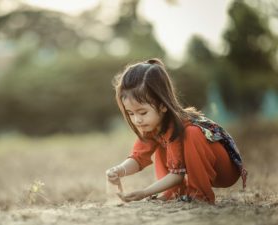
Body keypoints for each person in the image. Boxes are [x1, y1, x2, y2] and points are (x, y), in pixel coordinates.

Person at [105, 58, 247, 204]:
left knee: (192, 133)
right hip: (199, 169)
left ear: (162, 105)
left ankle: (200, 195)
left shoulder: (179, 126)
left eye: (142, 112)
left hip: (224, 170)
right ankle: (175, 193)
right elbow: (137, 158)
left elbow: (176, 175)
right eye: (131, 113)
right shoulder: (150, 127)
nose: (137, 120)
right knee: (161, 145)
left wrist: (144, 192)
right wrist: (119, 170)